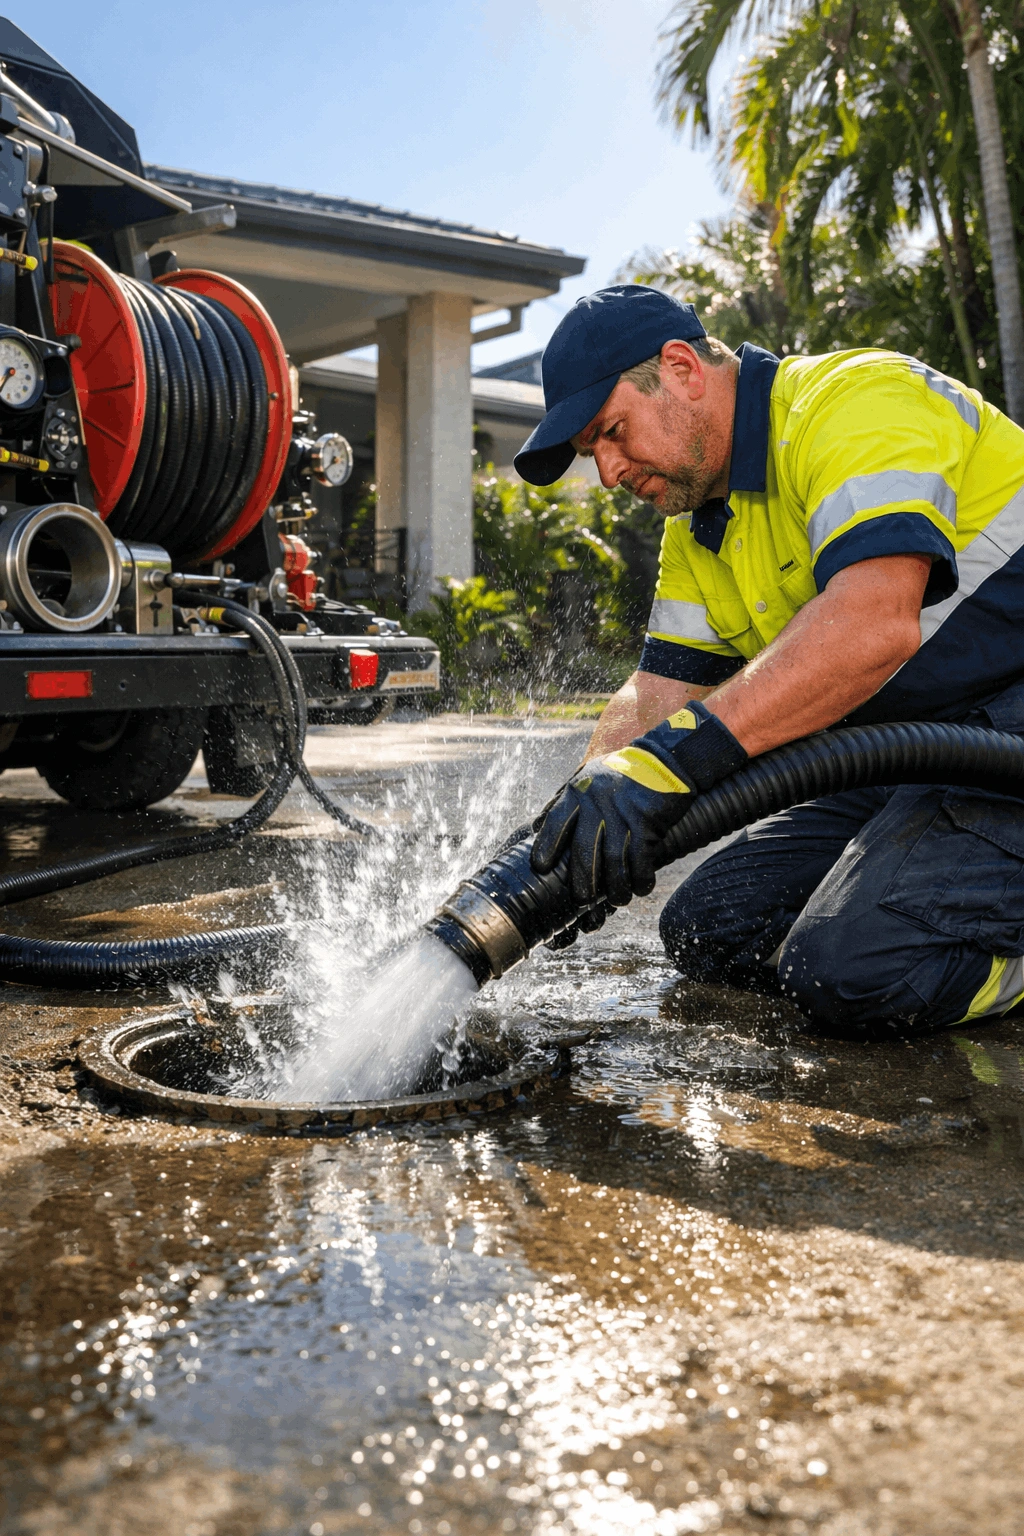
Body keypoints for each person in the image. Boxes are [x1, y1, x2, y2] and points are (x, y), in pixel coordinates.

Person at [513, 284, 1024, 1037]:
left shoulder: (853, 402)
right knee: (710, 928)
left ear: (683, 369)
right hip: (925, 747)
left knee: (854, 969)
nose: (610, 473)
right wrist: (562, 837)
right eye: (596, 452)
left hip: (1007, 731)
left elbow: (872, 624)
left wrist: (673, 761)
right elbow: (655, 693)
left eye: (612, 432)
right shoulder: (700, 530)